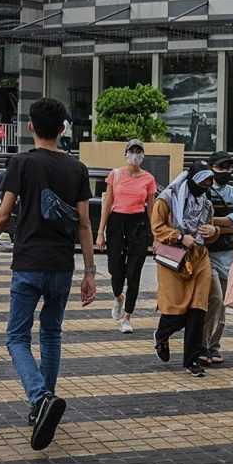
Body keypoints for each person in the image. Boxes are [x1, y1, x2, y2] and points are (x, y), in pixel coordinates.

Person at [0, 97, 97, 452]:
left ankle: (40, 400)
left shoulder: (20, 163)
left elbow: (3, 214)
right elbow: (85, 223)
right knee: (52, 334)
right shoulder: (78, 168)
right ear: (62, 129)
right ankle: (44, 402)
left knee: (16, 337)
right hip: (62, 265)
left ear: (30, 127)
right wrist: (90, 271)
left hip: (28, 263)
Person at [150, 161, 220, 377]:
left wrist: (213, 230)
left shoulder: (206, 204)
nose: (207, 185)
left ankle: (191, 360)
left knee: (199, 310)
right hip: (175, 260)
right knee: (176, 311)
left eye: (210, 181)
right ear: (191, 180)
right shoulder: (167, 200)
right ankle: (162, 334)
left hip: (199, 259)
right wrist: (180, 237)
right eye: (203, 181)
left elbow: (210, 231)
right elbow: (157, 228)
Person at [96, 139, 157, 334]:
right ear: (126, 154)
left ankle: (127, 316)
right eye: (132, 151)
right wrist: (100, 232)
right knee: (115, 268)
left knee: (134, 272)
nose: (136, 155)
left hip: (138, 224)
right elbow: (107, 203)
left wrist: (155, 235)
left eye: (139, 151)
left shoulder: (148, 178)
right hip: (116, 222)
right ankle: (118, 297)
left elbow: (151, 209)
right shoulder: (115, 174)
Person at [200, 151, 233, 365]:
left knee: (221, 303)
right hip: (205, 255)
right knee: (216, 299)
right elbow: (199, 223)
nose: (226, 171)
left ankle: (213, 346)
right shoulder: (203, 191)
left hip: (227, 257)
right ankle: (203, 345)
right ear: (210, 168)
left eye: (229, 167)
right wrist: (225, 224)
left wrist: (214, 224)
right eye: (221, 167)